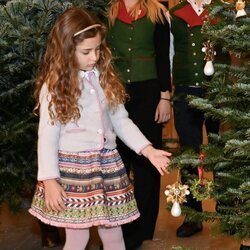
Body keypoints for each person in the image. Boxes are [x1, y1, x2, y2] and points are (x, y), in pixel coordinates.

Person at [28, 7, 172, 250]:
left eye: (97, 49)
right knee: (78, 238)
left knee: (114, 236)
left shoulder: (102, 77)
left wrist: (148, 150)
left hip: (107, 167)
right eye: (86, 52)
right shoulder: (54, 87)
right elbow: (47, 137)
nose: (94, 57)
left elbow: (121, 120)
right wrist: (50, 181)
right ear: (65, 50)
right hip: (73, 173)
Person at [107, 0, 171, 249]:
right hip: (114, 90)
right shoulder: (108, 11)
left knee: (147, 162)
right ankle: (116, 231)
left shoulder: (159, 12)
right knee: (117, 160)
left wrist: (165, 97)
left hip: (149, 91)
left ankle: (141, 230)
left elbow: (164, 56)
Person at [170, 0, 220, 238]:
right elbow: (169, 53)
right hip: (184, 93)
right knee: (189, 154)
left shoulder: (224, 10)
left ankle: (228, 208)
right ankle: (193, 215)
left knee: (222, 151)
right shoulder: (175, 13)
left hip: (219, 94)